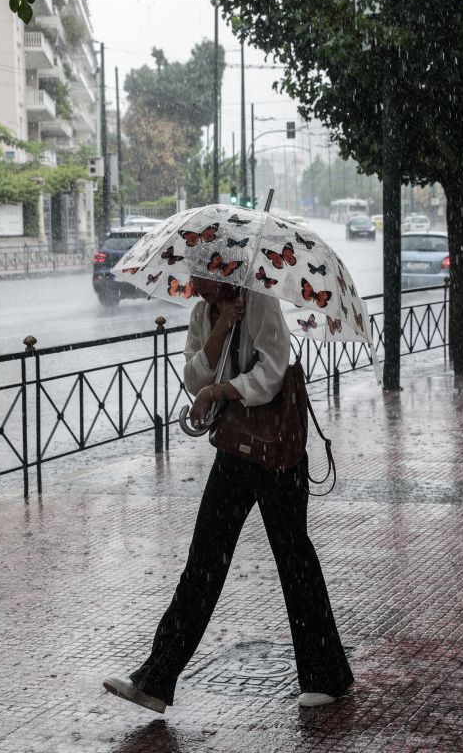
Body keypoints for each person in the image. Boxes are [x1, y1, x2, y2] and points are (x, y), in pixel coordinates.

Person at [103, 276, 353, 713]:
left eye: (200, 273)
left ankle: (326, 675)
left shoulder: (259, 301)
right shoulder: (203, 313)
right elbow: (194, 377)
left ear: (222, 269)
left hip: (276, 452)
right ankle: (156, 680)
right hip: (235, 449)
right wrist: (219, 331)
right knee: (203, 563)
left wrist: (222, 389)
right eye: (190, 273)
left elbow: (274, 370)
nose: (192, 281)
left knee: (294, 559)